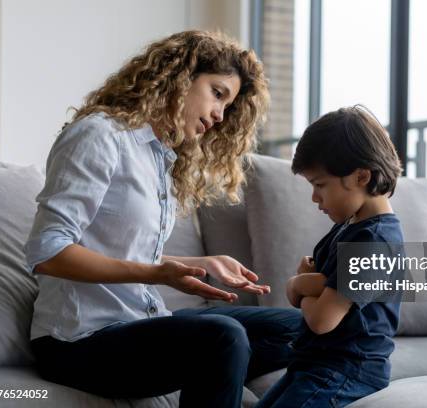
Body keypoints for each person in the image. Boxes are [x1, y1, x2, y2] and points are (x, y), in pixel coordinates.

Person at [24, 30, 301, 408]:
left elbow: (122, 251)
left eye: (228, 105)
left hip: (138, 323)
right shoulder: (99, 136)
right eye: (217, 93)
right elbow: (47, 251)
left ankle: (219, 373)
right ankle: (219, 368)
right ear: (179, 77)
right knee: (224, 336)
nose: (220, 115)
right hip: (77, 341)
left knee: (299, 330)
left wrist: (196, 264)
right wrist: (158, 274)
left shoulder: (160, 158)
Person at [256, 106, 405, 408]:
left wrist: (300, 285)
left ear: (361, 176)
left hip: (347, 372)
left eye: (319, 185)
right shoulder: (348, 227)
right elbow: (314, 292)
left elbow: (323, 320)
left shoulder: (375, 242)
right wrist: (314, 285)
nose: (314, 197)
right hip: (315, 365)